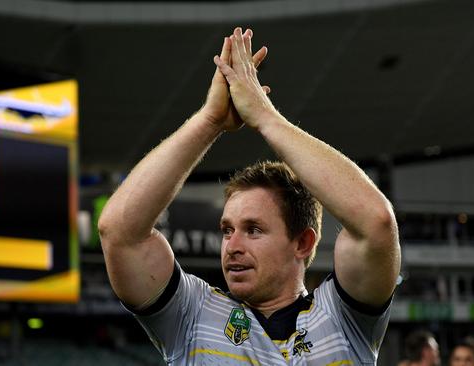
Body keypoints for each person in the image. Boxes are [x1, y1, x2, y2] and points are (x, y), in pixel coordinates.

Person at [98, 26, 401, 365]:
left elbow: (376, 223)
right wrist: (209, 121)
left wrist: (265, 118)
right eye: (228, 229)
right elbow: (119, 232)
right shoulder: (191, 316)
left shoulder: (343, 319)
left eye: (253, 229)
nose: (233, 245)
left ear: (303, 242)